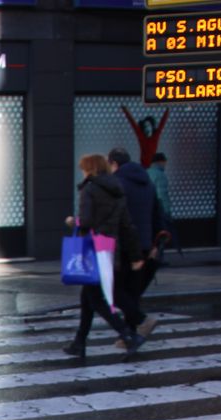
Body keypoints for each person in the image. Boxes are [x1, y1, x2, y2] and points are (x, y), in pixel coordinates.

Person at [63, 153, 146, 359]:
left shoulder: (89, 189)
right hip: (109, 248)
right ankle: (79, 342)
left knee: (95, 298)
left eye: (83, 168)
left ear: (90, 169)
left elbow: (87, 220)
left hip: (91, 249)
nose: (82, 172)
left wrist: (73, 222)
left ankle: (128, 335)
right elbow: (127, 225)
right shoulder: (117, 190)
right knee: (87, 298)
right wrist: (136, 254)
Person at [107, 147, 163, 343]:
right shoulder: (147, 183)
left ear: (114, 164)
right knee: (132, 291)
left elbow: (116, 217)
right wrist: (155, 242)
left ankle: (141, 321)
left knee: (113, 290)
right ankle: (129, 336)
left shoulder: (117, 184)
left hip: (124, 245)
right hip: (145, 245)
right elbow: (157, 213)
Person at [148, 153, 181, 259]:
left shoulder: (146, 172)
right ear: (161, 162)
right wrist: (167, 211)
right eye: (165, 162)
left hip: (149, 209)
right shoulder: (160, 175)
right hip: (160, 209)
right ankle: (159, 258)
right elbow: (162, 195)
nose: (165, 164)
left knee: (152, 235)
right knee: (162, 235)